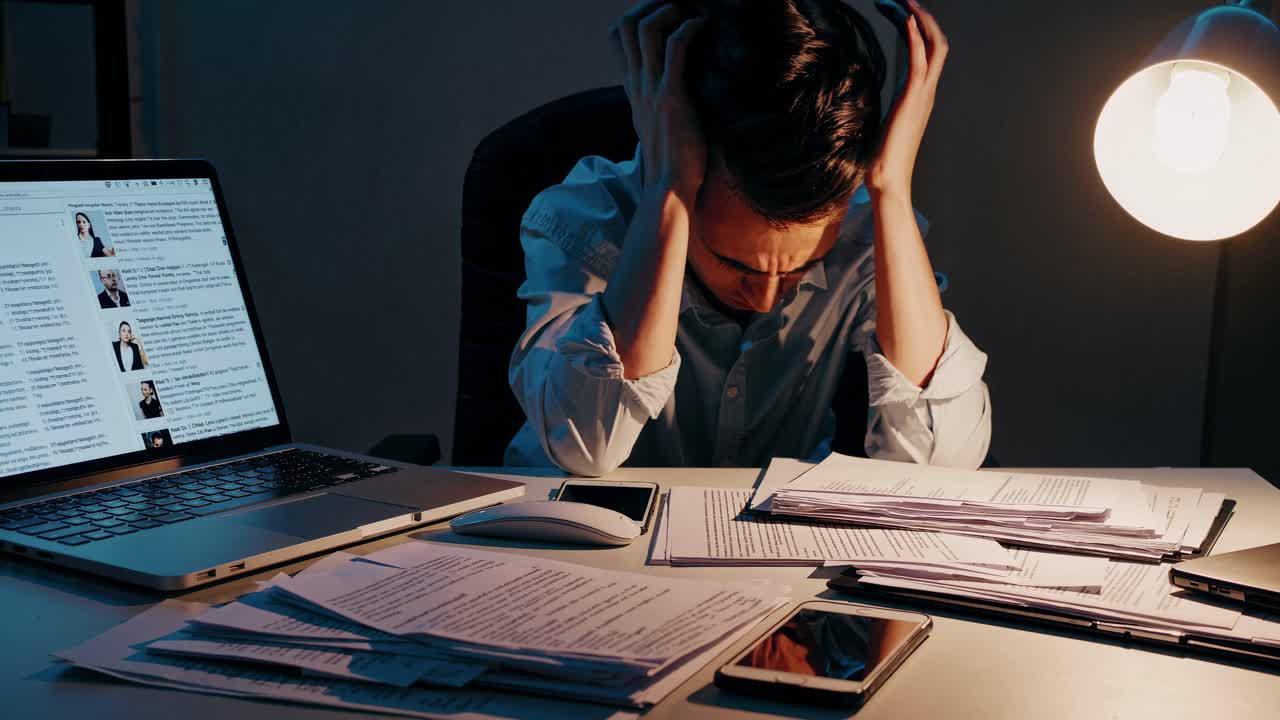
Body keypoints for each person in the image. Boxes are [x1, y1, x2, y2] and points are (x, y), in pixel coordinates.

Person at [506, 0, 990, 476]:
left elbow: (938, 462)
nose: (763, 300)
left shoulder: (864, 234)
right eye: (737, 264)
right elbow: (585, 448)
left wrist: (892, 192)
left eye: (801, 267)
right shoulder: (580, 222)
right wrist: (669, 188)